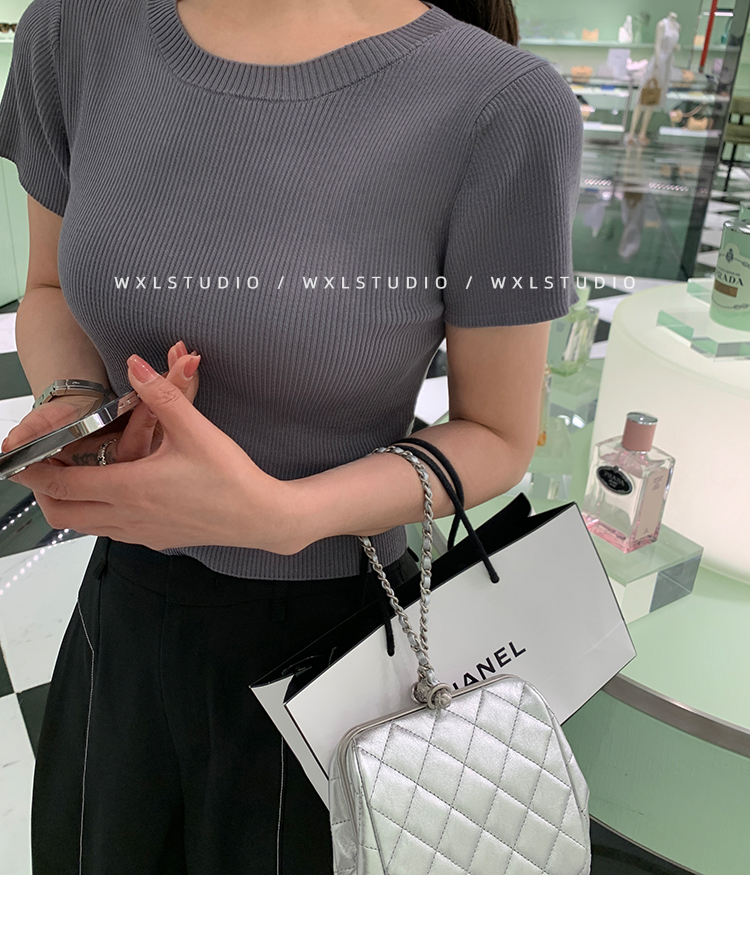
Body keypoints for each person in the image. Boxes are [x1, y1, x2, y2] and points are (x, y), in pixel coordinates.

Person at [0, 0, 583, 874]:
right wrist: (81, 402)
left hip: (338, 644)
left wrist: (283, 515)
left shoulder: (503, 105)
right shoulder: (77, 28)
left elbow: (497, 435)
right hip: (123, 617)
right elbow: (48, 289)